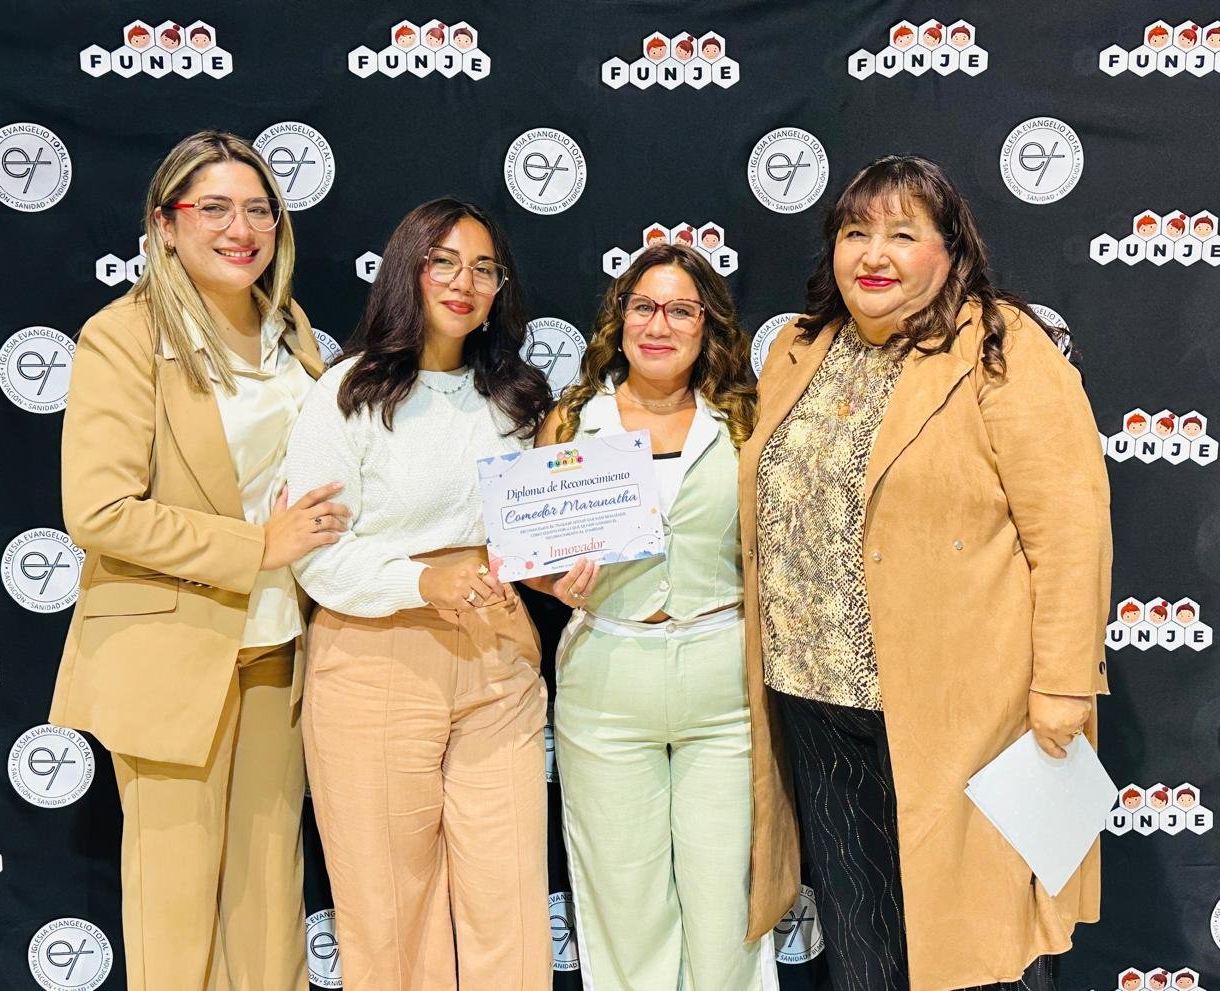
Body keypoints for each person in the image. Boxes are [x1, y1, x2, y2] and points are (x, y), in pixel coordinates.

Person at [741, 156, 1112, 991]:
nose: (874, 254)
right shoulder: (801, 350)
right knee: (863, 936)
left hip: (964, 709)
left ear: (951, 251)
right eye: (855, 232)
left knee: (980, 943)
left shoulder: (1002, 347)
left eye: (903, 234)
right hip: (816, 697)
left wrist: (1062, 683)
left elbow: (1071, 526)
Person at [48, 130, 342, 991]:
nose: (239, 229)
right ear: (165, 223)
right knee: (175, 912)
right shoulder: (122, 335)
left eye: (257, 209)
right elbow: (98, 511)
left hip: (280, 645)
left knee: (270, 898)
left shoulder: (289, 327)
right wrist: (258, 547)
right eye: (213, 208)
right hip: (170, 656)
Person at [286, 198, 554, 991]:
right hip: (374, 662)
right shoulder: (346, 393)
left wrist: (562, 570)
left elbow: (533, 532)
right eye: (444, 262)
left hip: (497, 660)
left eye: (484, 268)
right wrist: (421, 580)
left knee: (511, 905)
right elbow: (318, 554)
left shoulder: (519, 397)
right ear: (408, 268)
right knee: (390, 918)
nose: (464, 283)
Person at [537, 244, 777, 990]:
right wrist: (555, 583)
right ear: (621, 318)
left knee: (728, 906)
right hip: (607, 680)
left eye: (680, 309)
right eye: (643, 306)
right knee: (625, 904)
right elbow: (535, 557)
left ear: (709, 324)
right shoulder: (572, 421)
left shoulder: (744, 421)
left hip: (722, 684)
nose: (659, 325)